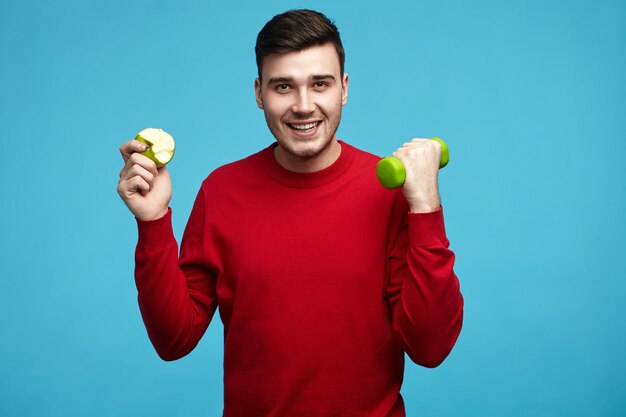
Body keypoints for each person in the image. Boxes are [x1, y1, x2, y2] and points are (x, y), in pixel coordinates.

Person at [117, 9, 463, 417]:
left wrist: (425, 207)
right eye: (284, 86)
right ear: (259, 92)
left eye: (320, 84)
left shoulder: (389, 192)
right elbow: (173, 341)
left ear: (344, 89)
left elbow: (431, 347)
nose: (303, 106)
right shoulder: (222, 191)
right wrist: (153, 221)